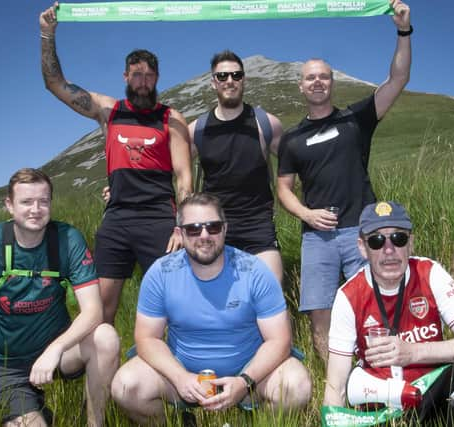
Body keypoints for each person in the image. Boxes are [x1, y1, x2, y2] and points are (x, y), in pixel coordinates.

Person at [276, 0, 413, 362]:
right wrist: (306, 214)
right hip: (316, 238)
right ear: (301, 86)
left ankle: (378, 377)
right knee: (320, 315)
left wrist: (402, 30)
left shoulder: (357, 119)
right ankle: (336, 386)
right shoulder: (292, 139)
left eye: (324, 76)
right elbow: (283, 190)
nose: (317, 82)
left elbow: (398, 79)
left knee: (373, 307)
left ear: (332, 83)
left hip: (361, 233)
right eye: (310, 77)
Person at [40, 2, 193, 324]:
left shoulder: (171, 118)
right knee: (100, 309)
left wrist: (182, 224)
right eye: (136, 74)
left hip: (160, 220)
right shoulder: (108, 111)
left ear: (157, 78)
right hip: (118, 219)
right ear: (125, 76)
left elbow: (184, 177)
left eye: (149, 75)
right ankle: (102, 371)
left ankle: (171, 371)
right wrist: (47, 35)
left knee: (174, 306)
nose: (142, 81)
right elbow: (55, 84)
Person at [0, 168, 120, 427]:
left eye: (43, 201)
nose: (36, 209)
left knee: (106, 337)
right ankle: (32, 411)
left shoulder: (68, 239)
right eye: (26, 202)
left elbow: (93, 311)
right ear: (9, 206)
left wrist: (55, 349)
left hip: (56, 351)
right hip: (4, 365)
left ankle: (95, 422)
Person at [110, 193, 311, 424]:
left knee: (297, 386)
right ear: (180, 233)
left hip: (249, 378)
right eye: (194, 229)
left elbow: (279, 340)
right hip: (182, 378)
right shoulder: (160, 273)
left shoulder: (255, 271)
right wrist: (180, 377)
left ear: (225, 229)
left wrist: (244, 382)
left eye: (212, 227)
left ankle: (257, 420)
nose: (204, 235)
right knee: (125, 386)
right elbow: (147, 338)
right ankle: (179, 421)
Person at [324, 201, 454, 424]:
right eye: (376, 241)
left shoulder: (431, 274)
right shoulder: (349, 295)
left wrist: (413, 352)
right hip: (381, 405)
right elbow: (335, 385)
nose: (389, 250)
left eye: (399, 238)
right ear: (362, 248)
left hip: (431, 395)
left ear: (411, 243)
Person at [187, 50, 284, 283]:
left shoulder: (266, 124)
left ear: (244, 79)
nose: (229, 81)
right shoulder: (196, 130)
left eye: (235, 75)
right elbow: (166, 170)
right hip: (214, 228)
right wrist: (119, 188)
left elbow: (297, 163)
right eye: (222, 76)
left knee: (271, 294)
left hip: (258, 225)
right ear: (213, 83)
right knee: (213, 301)